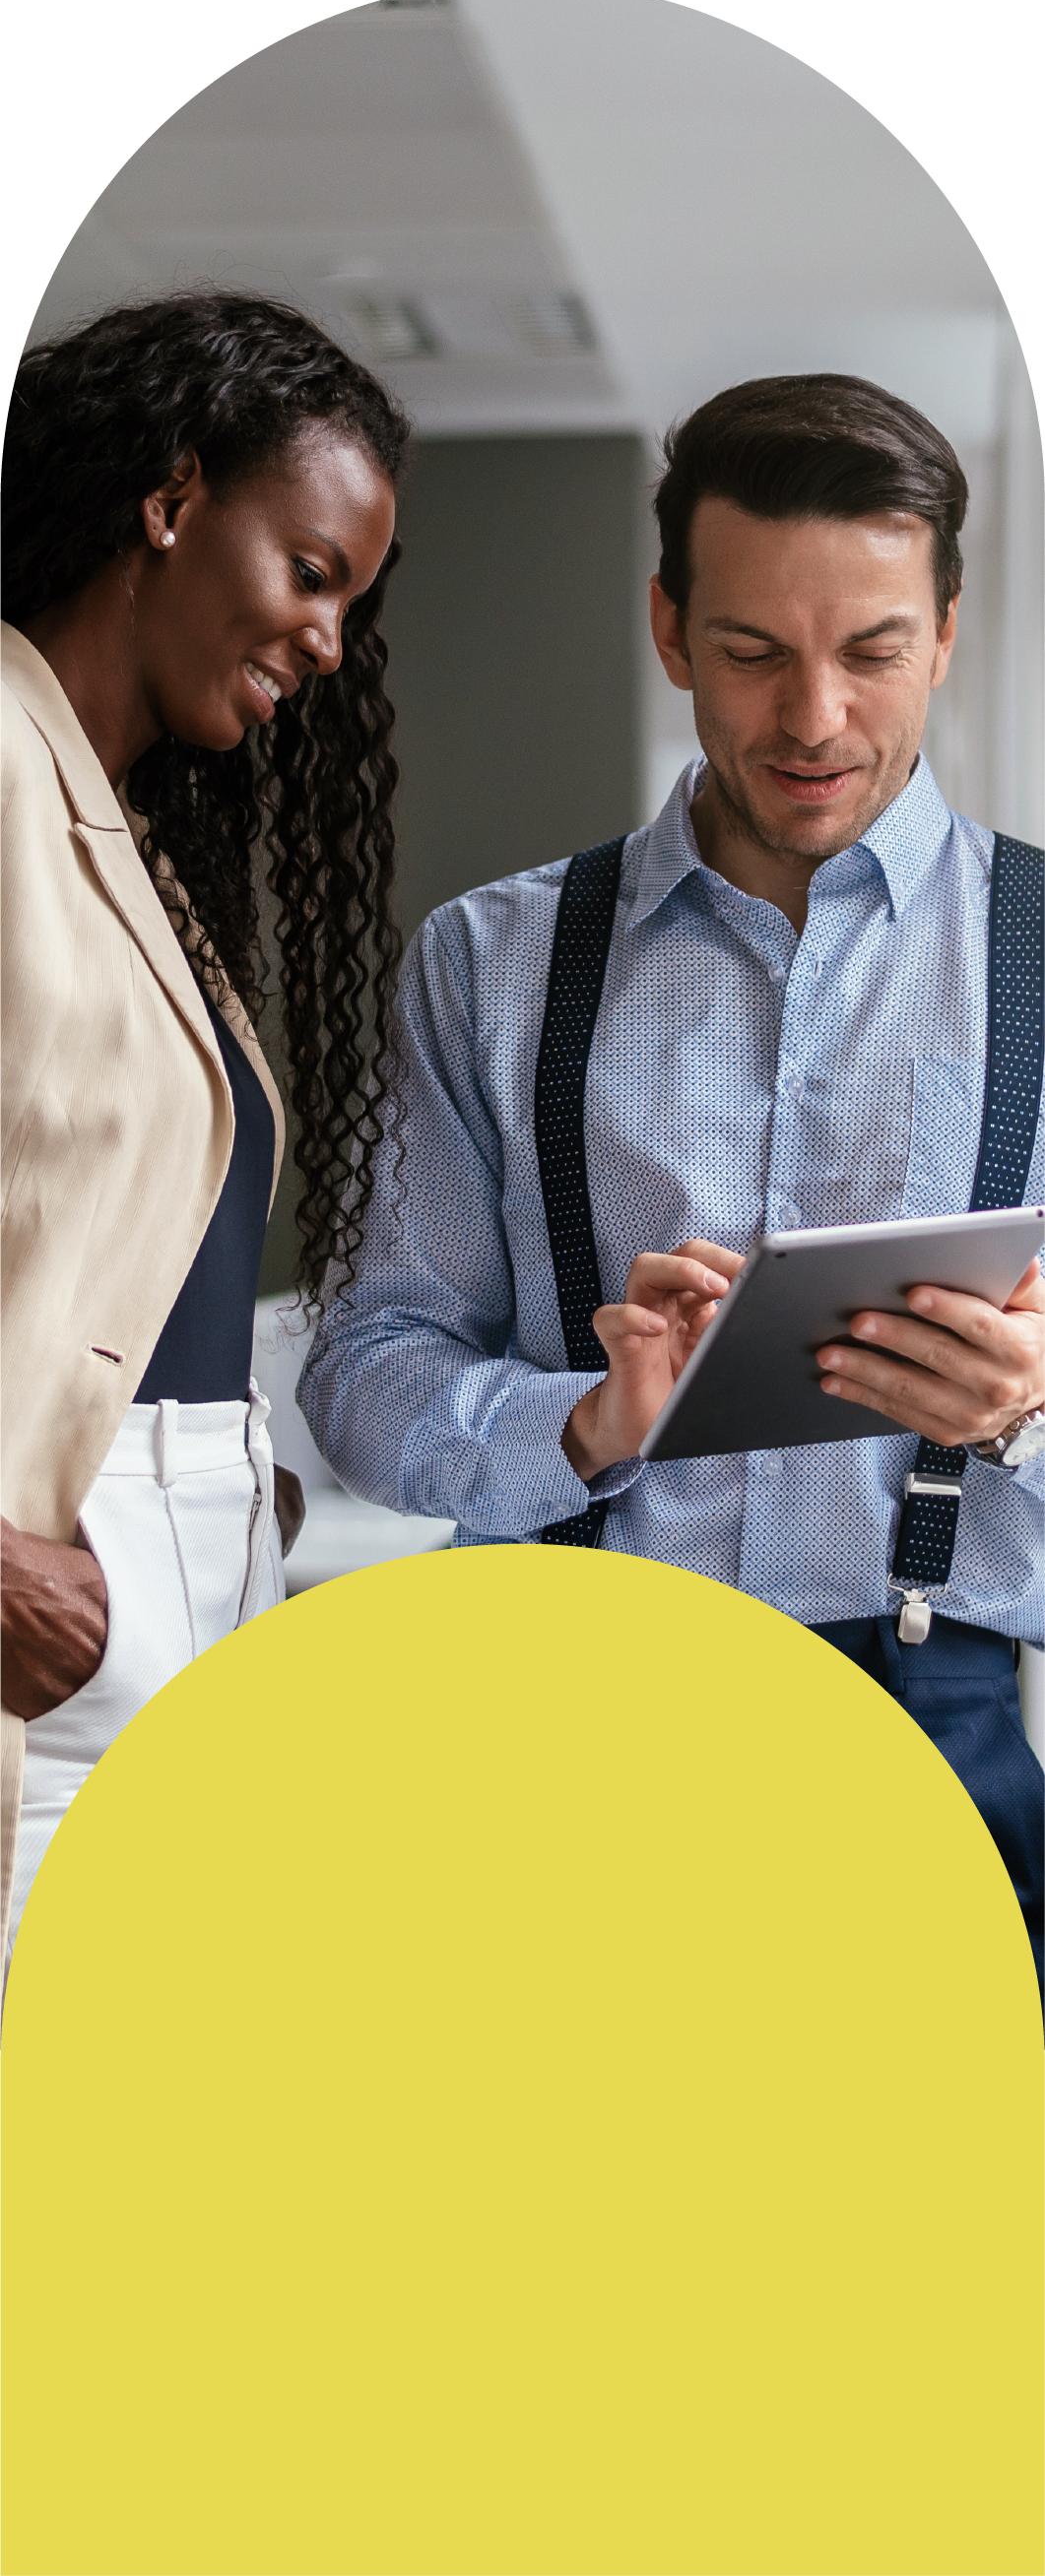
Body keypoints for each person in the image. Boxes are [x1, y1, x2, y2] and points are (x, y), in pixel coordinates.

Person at [300, 370, 1045, 2015]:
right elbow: (363, 1372)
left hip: (939, 1730)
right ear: (667, 629)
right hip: (578, 1728)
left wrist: (1021, 1419)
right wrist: (584, 1424)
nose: (813, 721)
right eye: (753, 652)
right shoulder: (490, 963)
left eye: (872, 652)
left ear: (947, 631)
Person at [0, 290, 408, 1993]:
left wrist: (225, 1485)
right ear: (171, 500)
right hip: (46, 1630)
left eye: (348, 604)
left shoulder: (131, 833)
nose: (327, 642)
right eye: (311, 573)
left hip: (205, 1590)